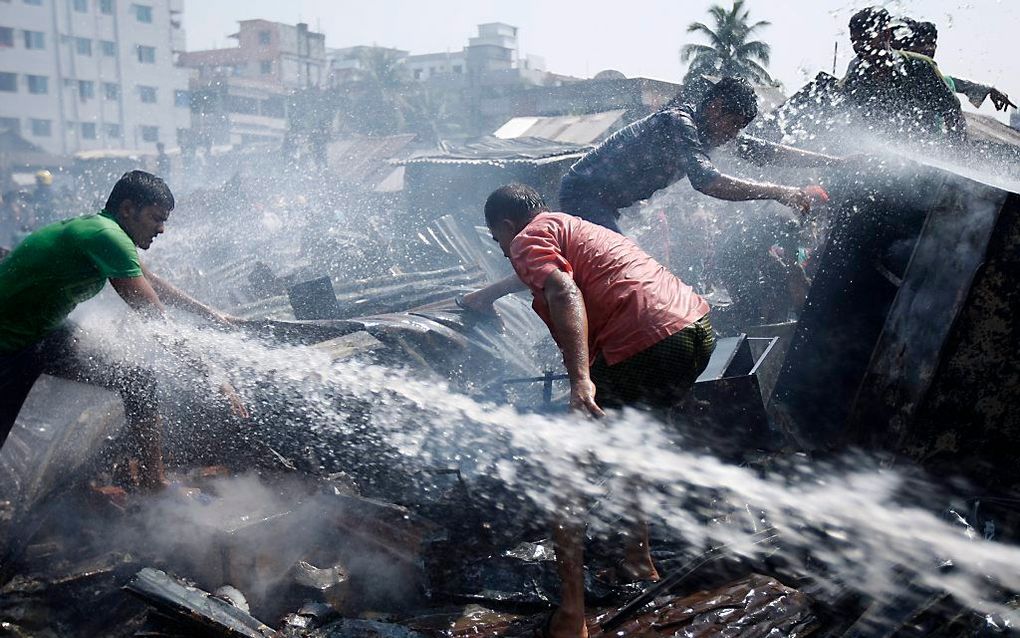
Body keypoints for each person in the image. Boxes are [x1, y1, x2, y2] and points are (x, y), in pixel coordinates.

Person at [484, 183, 716, 638]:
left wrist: (579, 379)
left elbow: (562, 289)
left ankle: (571, 616)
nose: (503, 252)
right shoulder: (570, 227)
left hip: (645, 343)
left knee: (563, 470)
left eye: (497, 242)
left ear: (507, 227)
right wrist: (484, 295)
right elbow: (548, 273)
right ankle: (638, 557)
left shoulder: (527, 239)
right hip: (693, 331)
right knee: (628, 445)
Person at [459, 77, 835, 313]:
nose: (731, 135)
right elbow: (708, 182)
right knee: (618, 270)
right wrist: (784, 193)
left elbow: (763, 152)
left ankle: (486, 295)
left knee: (573, 265)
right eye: (732, 125)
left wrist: (835, 161)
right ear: (717, 108)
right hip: (586, 193)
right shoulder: (680, 123)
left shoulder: (705, 131)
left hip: (605, 201)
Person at [0, 170, 247, 490]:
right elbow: (155, 321)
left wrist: (212, 315)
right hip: (9, 347)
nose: (161, 229)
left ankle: (152, 483)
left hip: (40, 335)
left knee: (139, 381)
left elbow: (153, 283)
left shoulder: (105, 231)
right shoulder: (106, 237)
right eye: (156, 218)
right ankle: (153, 483)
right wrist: (215, 376)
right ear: (128, 209)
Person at [840, 7, 966, 142]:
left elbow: (952, 112)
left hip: (927, 151)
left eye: (866, 38)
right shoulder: (856, 78)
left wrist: (955, 152)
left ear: (886, 35)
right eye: (854, 40)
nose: (859, 46)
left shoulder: (920, 67)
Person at [893, 18, 1015, 112]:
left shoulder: (930, 75)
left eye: (932, 43)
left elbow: (950, 82)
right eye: (923, 43)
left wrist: (989, 89)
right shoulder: (895, 74)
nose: (929, 48)